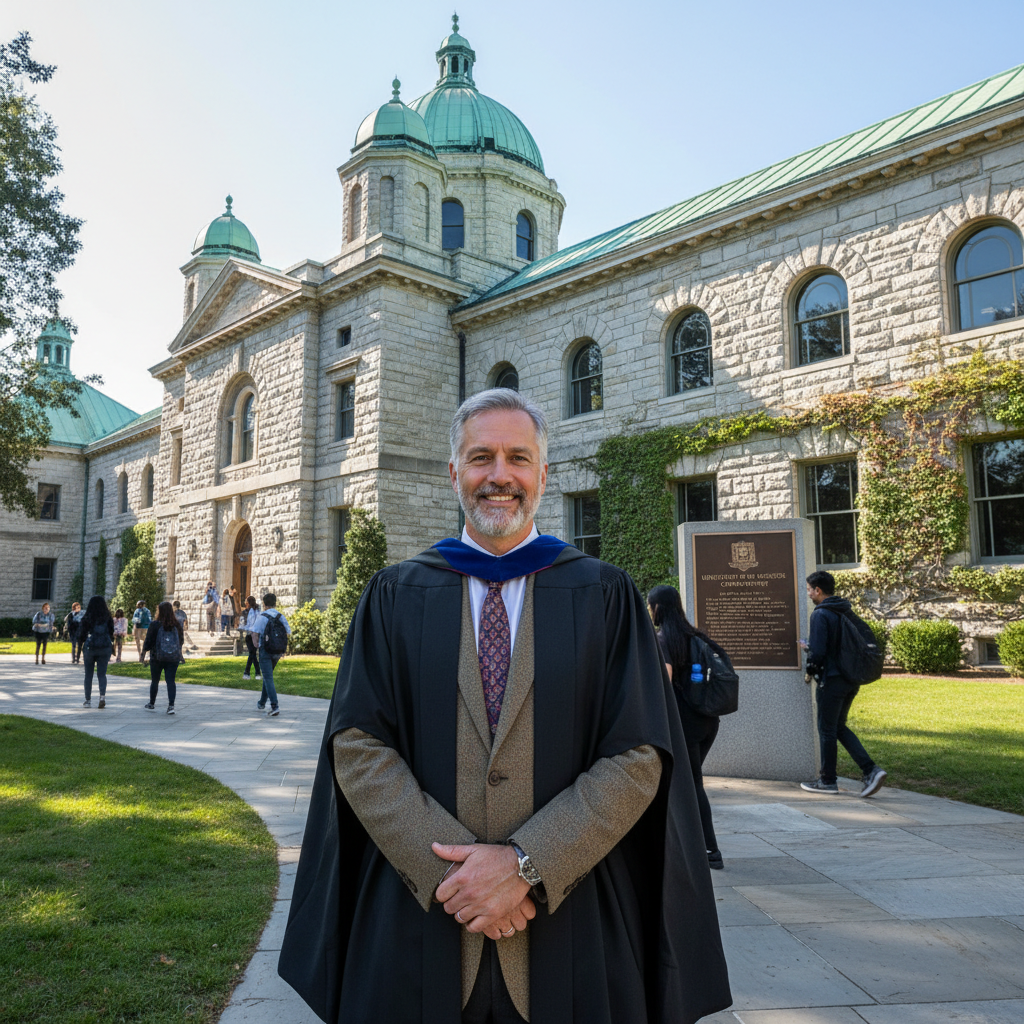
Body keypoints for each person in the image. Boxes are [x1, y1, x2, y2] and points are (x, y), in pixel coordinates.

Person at [278, 389, 731, 1024]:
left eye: (518, 458)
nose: (499, 476)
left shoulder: (605, 596)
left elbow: (638, 752)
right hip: (419, 922)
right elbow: (357, 744)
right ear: (454, 472)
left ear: (543, 475)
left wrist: (526, 865)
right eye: (480, 457)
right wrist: (461, 877)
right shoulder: (395, 595)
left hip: (572, 925)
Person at [647, 584, 725, 870]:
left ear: (658, 608)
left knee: (691, 785)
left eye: (650, 605)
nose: (649, 610)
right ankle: (678, 845)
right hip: (707, 720)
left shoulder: (664, 638)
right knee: (682, 783)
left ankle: (709, 850)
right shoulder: (694, 635)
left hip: (685, 723)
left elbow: (664, 679)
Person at [800, 571, 887, 797]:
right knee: (837, 727)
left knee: (827, 729)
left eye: (809, 589)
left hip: (832, 680)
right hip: (850, 679)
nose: (808, 593)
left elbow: (819, 652)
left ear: (818, 590)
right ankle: (871, 770)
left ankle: (827, 781)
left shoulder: (820, 614)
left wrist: (810, 665)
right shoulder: (844, 609)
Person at [143, 601, 184, 715]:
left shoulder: (155, 624)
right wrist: (179, 653)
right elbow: (181, 641)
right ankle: (171, 706)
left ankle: (152, 703)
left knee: (155, 680)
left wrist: (143, 653)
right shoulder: (177, 625)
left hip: (157, 657)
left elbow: (148, 641)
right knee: (170, 681)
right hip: (173, 657)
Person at [251, 594, 289, 716]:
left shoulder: (262, 617)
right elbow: (287, 632)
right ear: (275, 603)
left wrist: (256, 646)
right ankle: (262, 703)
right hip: (277, 651)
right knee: (268, 676)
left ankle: (274, 706)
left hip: (265, 651)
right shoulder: (280, 616)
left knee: (268, 677)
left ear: (264, 604)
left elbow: (255, 633)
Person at [79, 595, 114, 709]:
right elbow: (111, 632)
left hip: (90, 648)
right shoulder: (107, 617)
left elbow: (81, 634)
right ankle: (102, 697)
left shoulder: (87, 617)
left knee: (88, 674)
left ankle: (88, 700)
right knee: (102, 674)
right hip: (104, 647)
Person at [241, 595, 261, 681]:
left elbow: (245, 624)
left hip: (250, 634)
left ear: (248, 603)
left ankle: (247, 673)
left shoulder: (246, 612)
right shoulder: (258, 610)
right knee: (252, 654)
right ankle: (257, 673)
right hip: (256, 635)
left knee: (252, 654)